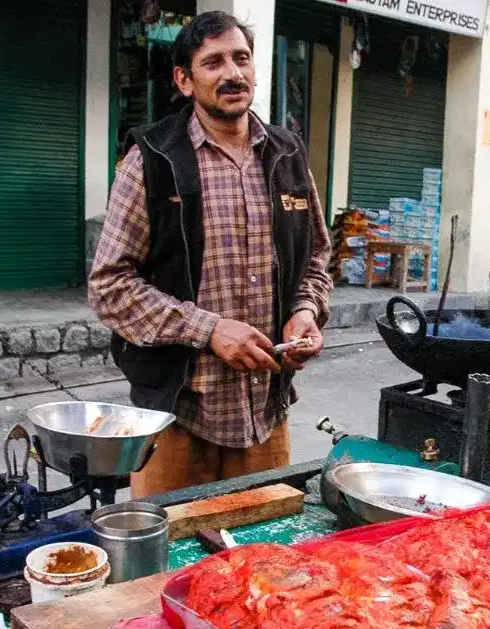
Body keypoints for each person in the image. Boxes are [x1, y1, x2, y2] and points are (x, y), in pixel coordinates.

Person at [88, 11, 333, 498]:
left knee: (259, 554)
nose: (233, 74)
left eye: (241, 59)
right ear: (184, 79)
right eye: (214, 62)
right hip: (179, 415)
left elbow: (316, 259)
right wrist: (210, 329)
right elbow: (110, 286)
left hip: (266, 411)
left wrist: (306, 312)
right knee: (170, 556)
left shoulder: (287, 154)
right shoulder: (153, 160)